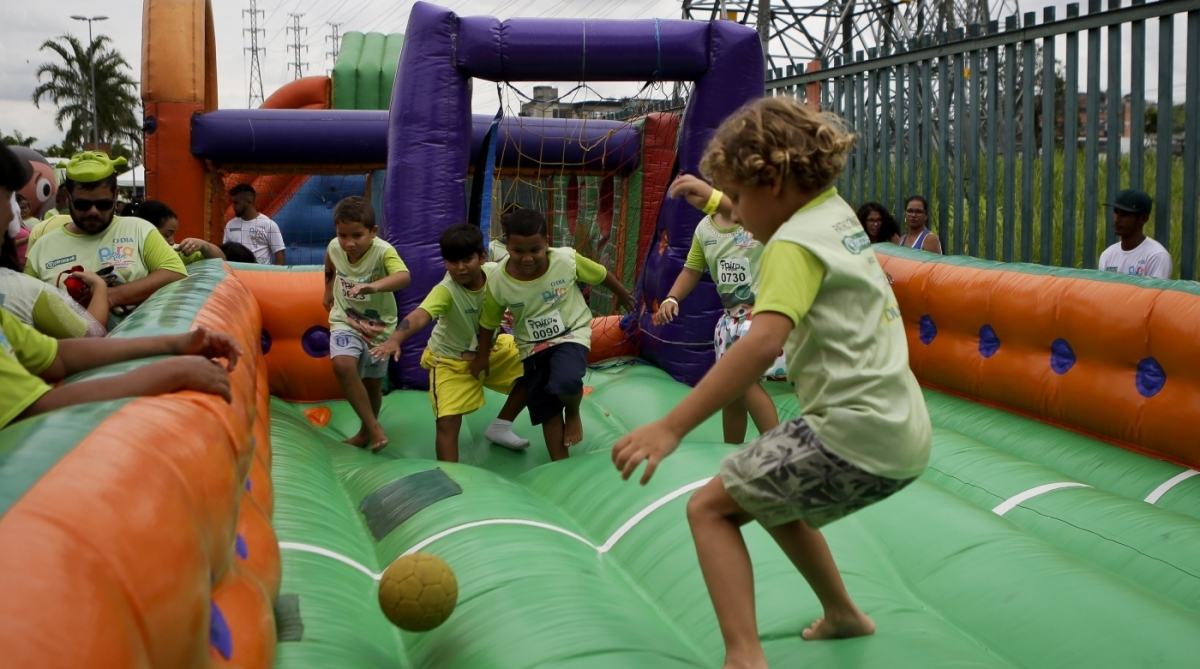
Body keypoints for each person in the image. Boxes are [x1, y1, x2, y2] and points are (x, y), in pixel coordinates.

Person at [612, 97, 931, 669]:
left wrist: (671, 426)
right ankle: (842, 613)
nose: (729, 212)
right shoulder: (833, 214)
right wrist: (713, 197)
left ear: (774, 182)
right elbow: (753, 214)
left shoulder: (790, 245)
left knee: (709, 509)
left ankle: (744, 655)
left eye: (735, 196)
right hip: (900, 425)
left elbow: (760, 343)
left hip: (852, 432)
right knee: (768, 495)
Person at [471, 209, 634, 461]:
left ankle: (574, 411)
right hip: (531, 346)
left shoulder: (565, 260)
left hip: (570, 333)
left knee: (566, 382)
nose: (527, 258)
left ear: (546, 244)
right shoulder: (499, 280)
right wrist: (482, 355)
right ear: (507, 246)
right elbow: (488, 321)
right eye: (518, 251)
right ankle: (561, 464)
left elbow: (601, 274)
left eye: (534, 250)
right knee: (547, 407)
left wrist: (622, 294)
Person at [370, 223, 530, 461]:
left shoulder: (497, 274)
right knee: (448, 422)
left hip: (492, 349)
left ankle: (501, 426)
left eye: (467, 259)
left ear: (482, 256)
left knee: (536, 369)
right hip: (451, 360)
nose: (460, 267)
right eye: (452, 262)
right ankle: (450, 474)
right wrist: (396, 338)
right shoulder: (447, 290)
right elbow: (420, 315)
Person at [656, 173, 782, 445]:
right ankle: (730, 451)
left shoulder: (754, 216)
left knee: (742, 381)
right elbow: (691, 270)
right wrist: (672, 298)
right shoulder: (705, 229)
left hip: (761, 315)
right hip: (730, 322)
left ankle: (779, 450)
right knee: (730, 392)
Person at [23, 152, 187, 321]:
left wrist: (108, 296)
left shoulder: (139, 230)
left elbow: (175, 274)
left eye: (103, 204)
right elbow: (25, 304)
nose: (93, 211)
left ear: (116, 195)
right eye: (82, 204)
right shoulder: (42, 247)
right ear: (66, 196)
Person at [323, 196, 411, 452]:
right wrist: (328, 289)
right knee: (342, 364)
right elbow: (330, 260)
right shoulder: (335, 247)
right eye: (342, 235)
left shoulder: (383, 251)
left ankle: (364, 433)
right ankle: (374, 427)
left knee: (373, 382)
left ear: (373, 232)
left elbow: (404, 276)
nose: (349, 243)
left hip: (378, 326)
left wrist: (374, 286)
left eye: (357, 236)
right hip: (345, 319)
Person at [1098, 188, 1171, 279]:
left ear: (1143, 219)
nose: (1116, 219)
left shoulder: (1156, 256)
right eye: (1116, 212)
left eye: (1125, 214)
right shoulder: (1108, 255)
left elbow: (1156, 292)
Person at [137, 200, 226, 264]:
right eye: (167, 235)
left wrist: (203, 245)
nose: (172, 242)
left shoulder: (174, 253)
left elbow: (221, 260)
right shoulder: (126, 258)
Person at [224, 184, 286, 265]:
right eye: (233, 202)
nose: (233, 206)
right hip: (237, 274)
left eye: (236, 203)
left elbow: (279, 254)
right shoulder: (230, 225)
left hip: (260, 274)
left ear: (249, 202)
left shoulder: (269, 224)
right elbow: (224, 253)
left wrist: (276, 276)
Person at [13, 194, 37, 267]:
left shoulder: (20, 222)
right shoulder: (8, 223)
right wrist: (26, 239)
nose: (24, 210)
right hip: (18, 263)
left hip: (28, 262)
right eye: (21, 208)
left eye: (26, 207)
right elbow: (7, 245)